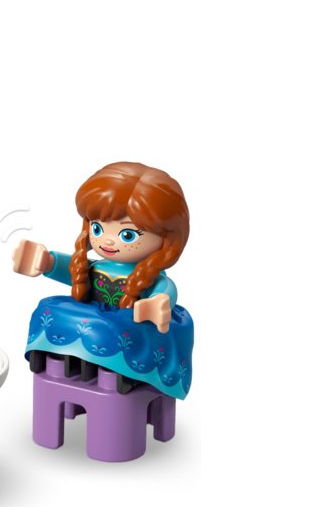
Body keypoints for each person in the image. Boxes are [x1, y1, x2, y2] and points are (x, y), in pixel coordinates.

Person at [12, 161, 193, 399]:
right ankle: (57, 360)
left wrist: (157, 304)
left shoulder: (151, 277)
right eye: (97, 228)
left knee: (110, 328)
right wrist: (47, 262)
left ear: (167, 239)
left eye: (127, 235)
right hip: (93, 316)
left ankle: (118, 375)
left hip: (127, 322)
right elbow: (73, 271)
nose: (108, 241)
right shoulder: (95, 267)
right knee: (47, 307)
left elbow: (165, 293)